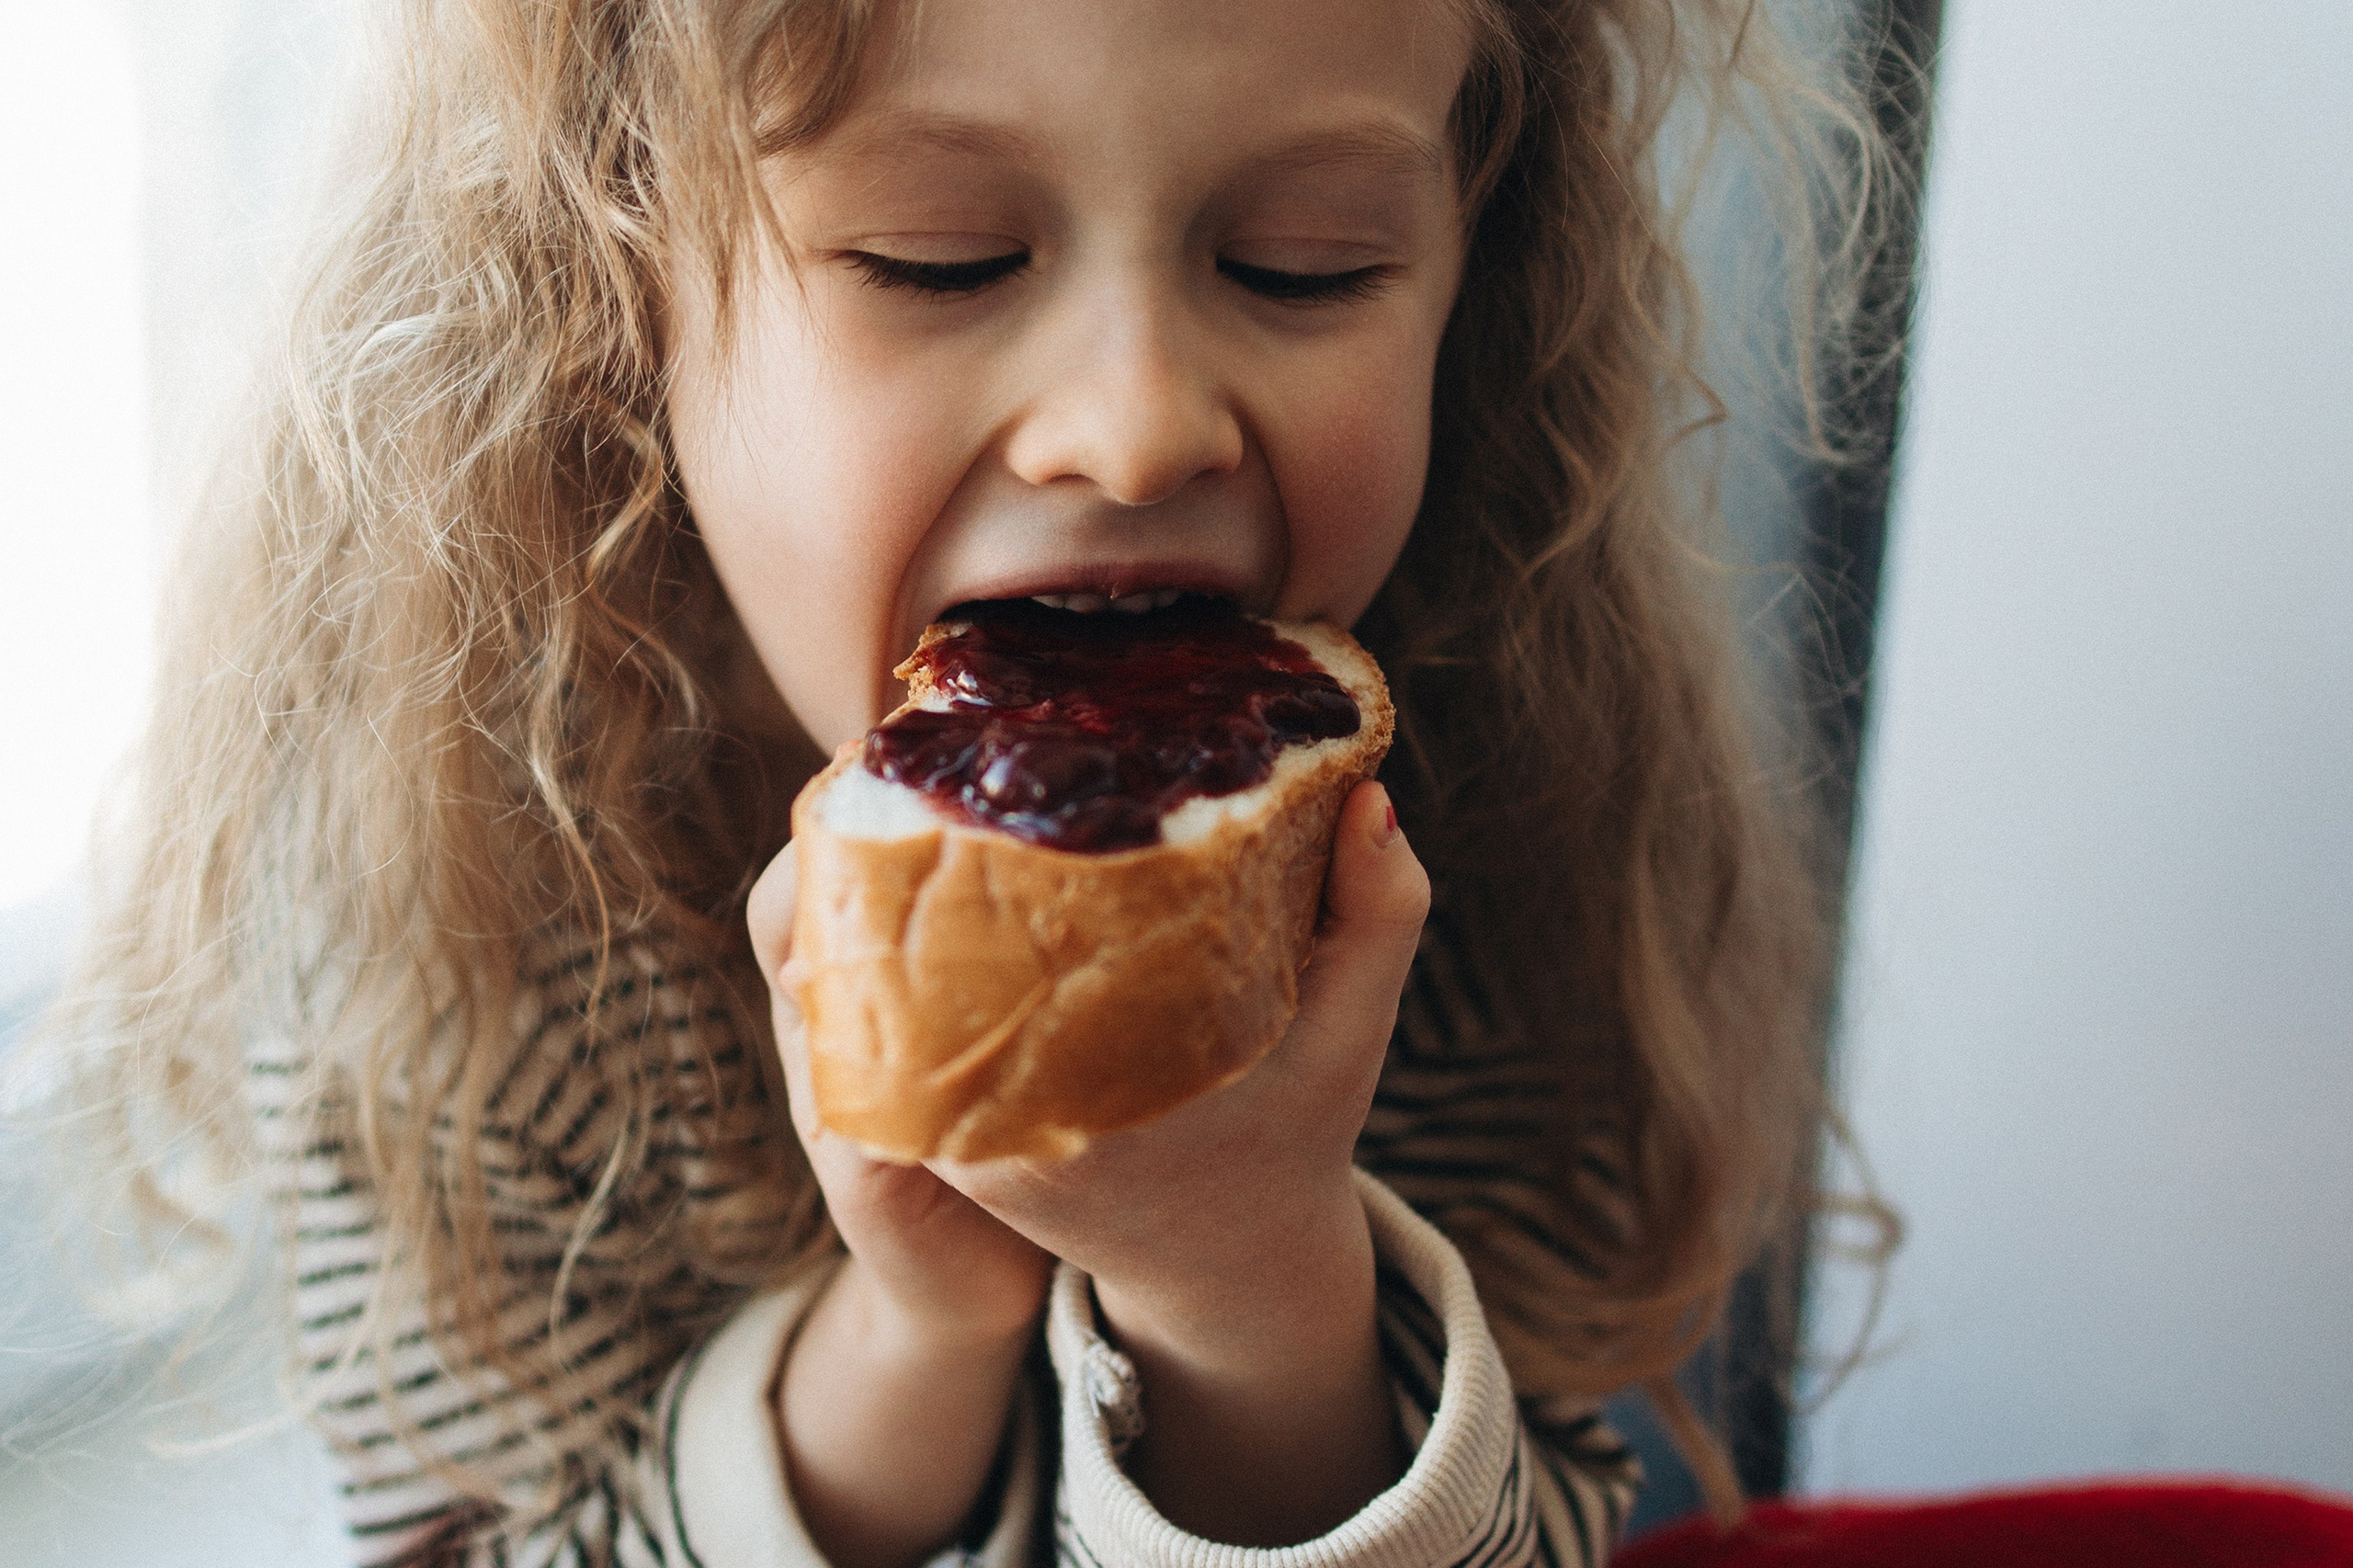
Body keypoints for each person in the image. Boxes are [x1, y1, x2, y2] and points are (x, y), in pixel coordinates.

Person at [47, 0, 1894, 1562]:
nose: (1134, 418)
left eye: (1302, 265)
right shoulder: (446, 915)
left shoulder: (1474, 852)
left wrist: (1247, 1284)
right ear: (613, 297)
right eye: (938, 260)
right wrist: (913, 1325)